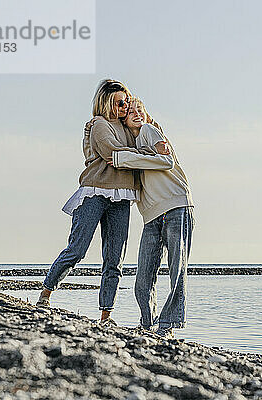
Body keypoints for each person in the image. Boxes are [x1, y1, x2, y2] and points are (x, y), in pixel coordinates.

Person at [36, 79, 146, 324]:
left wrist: (140, 118)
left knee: (114, 259)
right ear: (107, 102)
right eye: (120, 102)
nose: (125, 106)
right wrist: (138, 155)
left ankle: (106, 315)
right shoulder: (99, 125)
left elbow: (145, 139)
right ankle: (46, 293)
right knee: (76, 250)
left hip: (121, 196)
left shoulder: (129, 127)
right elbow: (112, 153)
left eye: (127, 101)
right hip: (94, 192)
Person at [110, 98, 194, 338]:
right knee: (143, 277)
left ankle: (167, 325)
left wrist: (122, 158)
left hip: (176, 206)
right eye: (131, 111)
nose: (137, 114)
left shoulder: (149, 130)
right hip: (151, 215)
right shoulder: (135, 144)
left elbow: (166, 160)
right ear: (123, 119)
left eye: (141, 110)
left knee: (177, 270)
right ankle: (148, 324)